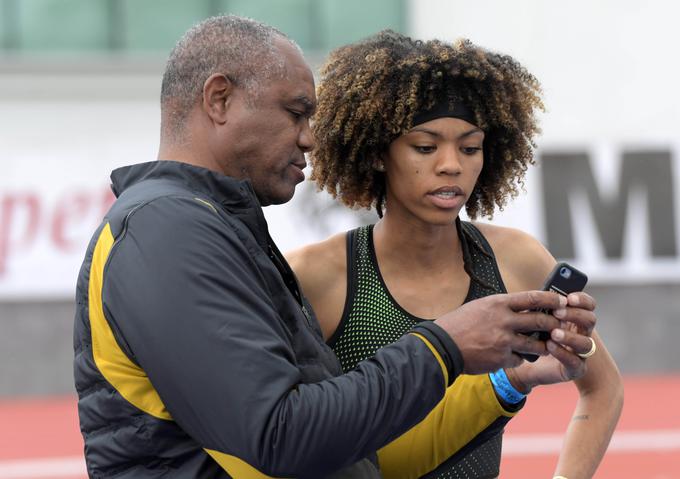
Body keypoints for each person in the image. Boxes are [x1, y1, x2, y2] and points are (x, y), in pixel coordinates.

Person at [73, 16, 597, 478]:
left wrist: (508, 382)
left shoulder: (211, 228)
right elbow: (284, 440)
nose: (309, 139)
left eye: (469, 147)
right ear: (219, 99)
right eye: (296, 113)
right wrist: (444, 345)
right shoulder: (166, 230)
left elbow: (351, 459)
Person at [287, 31, 624, 479]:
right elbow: (284, 435)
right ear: (377, 154)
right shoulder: (317, 276)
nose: (452, 165)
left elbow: (603, 389)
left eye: (470, 147)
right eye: (425, 147)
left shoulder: (516, 260)